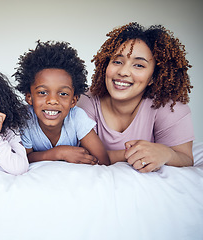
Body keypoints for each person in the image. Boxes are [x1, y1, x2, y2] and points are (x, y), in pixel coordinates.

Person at [76, 22, 195, 172]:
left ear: (153, 77)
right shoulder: (86, 100)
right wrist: (134, 155)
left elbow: (186, 158)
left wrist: (166, 154)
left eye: (139, 65)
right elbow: (82, 156)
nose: (123, 72)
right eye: (117, 61)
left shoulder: (169, 107)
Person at [14, 40, 110, 165]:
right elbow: (22, 159)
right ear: (29, 97)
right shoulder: (25, 119)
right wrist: (59, 153)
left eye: (63, 94)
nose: (53, 101)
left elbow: (103, 160)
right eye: (43, 92)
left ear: (73, 100)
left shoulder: (77, 117)